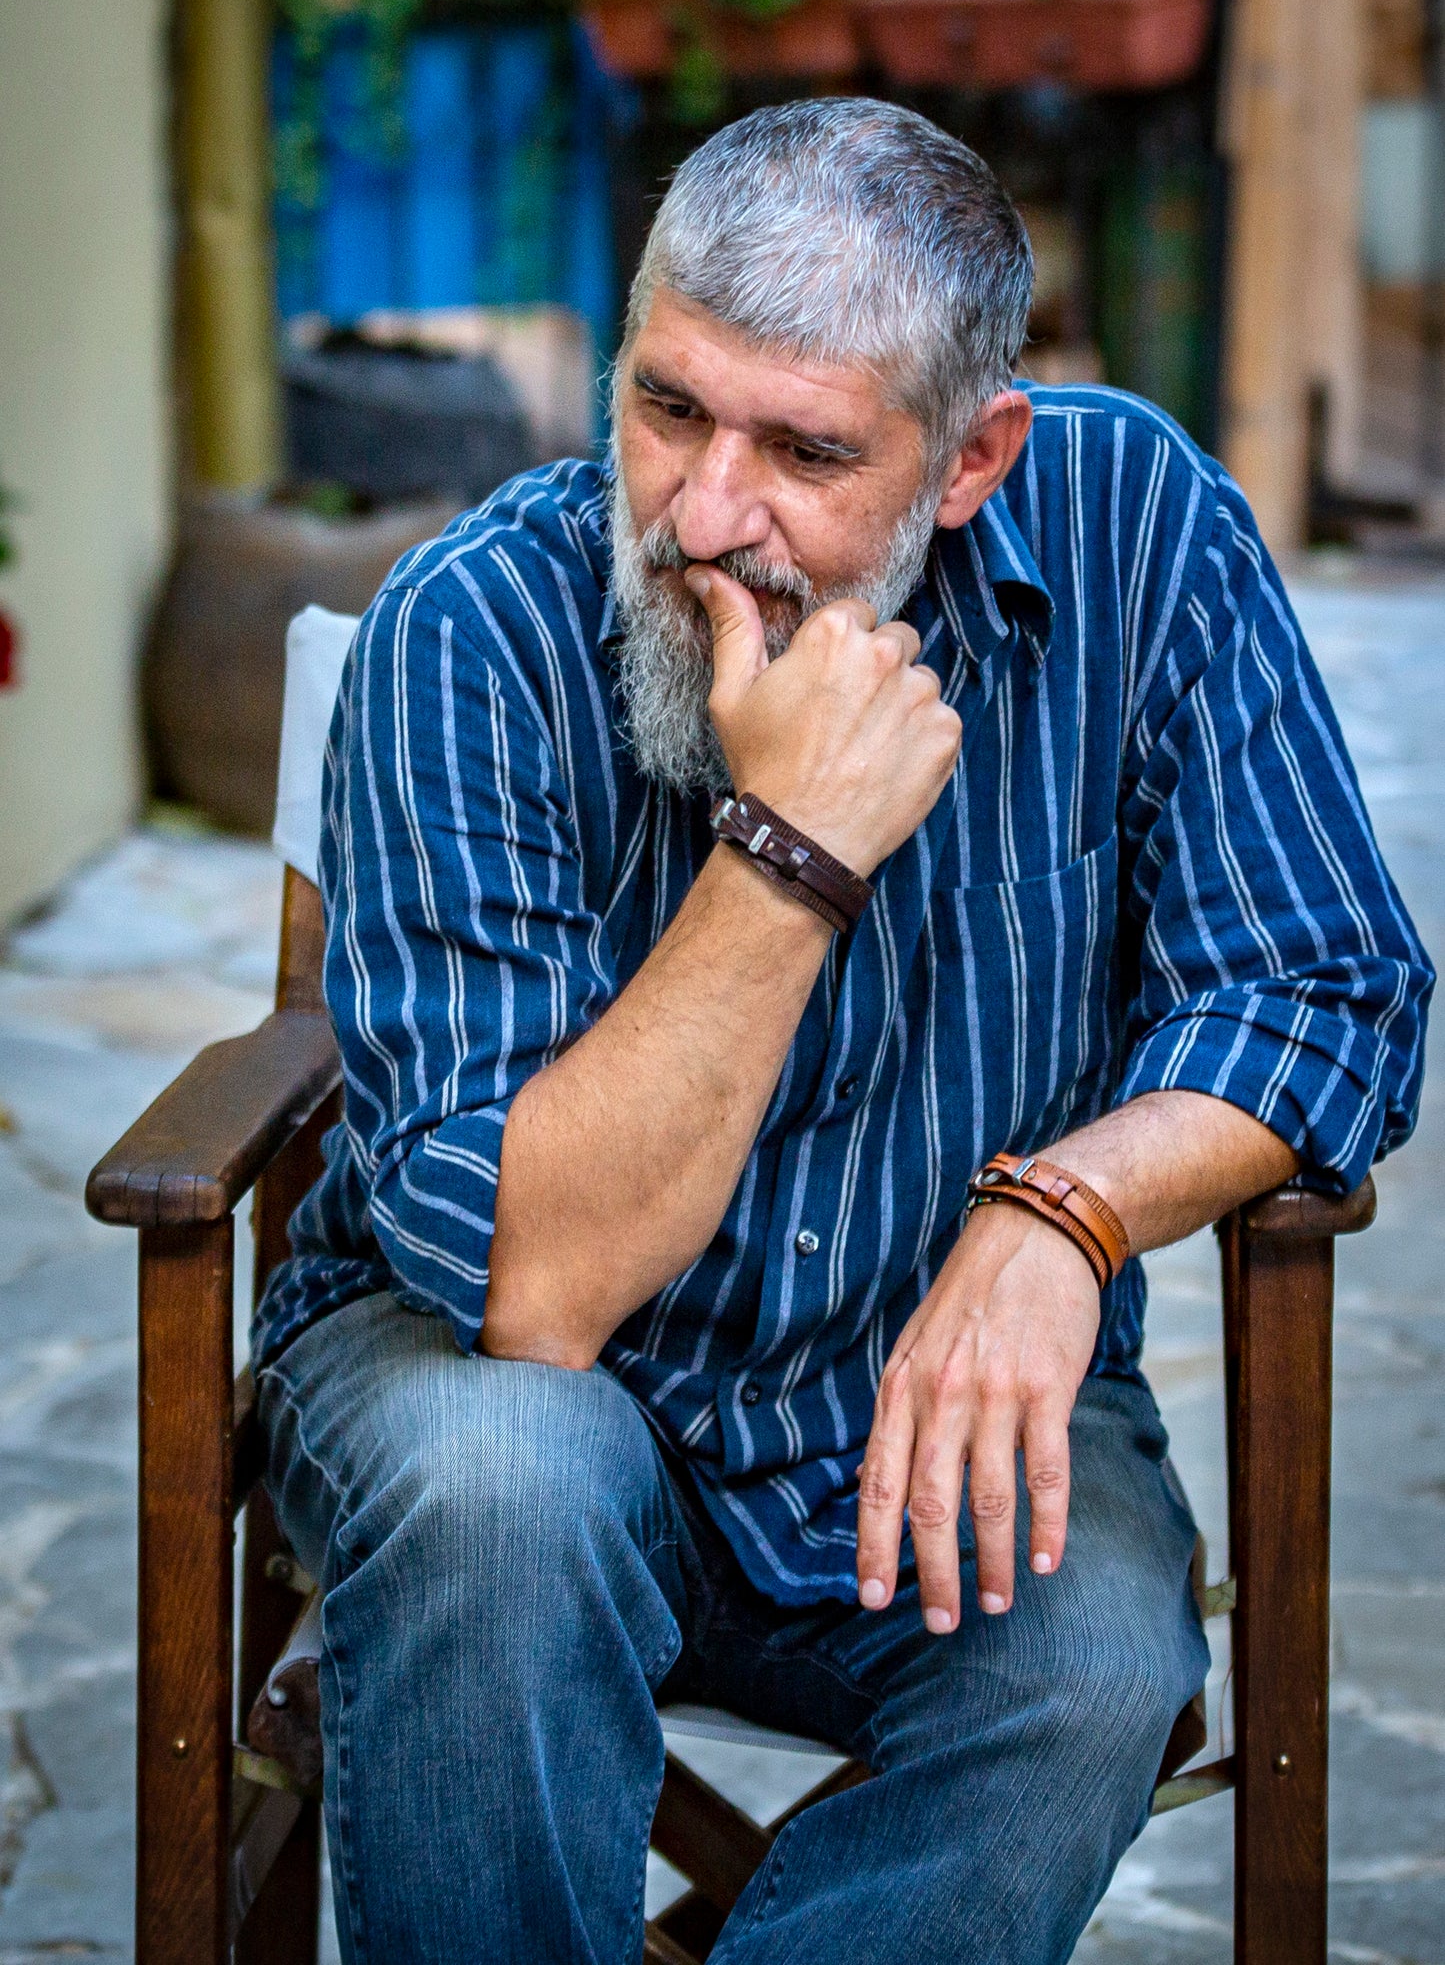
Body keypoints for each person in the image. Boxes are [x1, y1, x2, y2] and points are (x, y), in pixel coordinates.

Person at [253, 99, 1430, 1964]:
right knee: (504, 1493)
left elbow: (1327, 980)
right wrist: (788, 855)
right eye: (664, 409)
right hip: (505, 1391)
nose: (704, 518)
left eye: (804, 450)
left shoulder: (1135, 529)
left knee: (1096, 1665)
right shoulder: (470, 630)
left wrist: (1067, 1214)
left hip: (912, 1392)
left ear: (971, 462)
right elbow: (530, 1289)